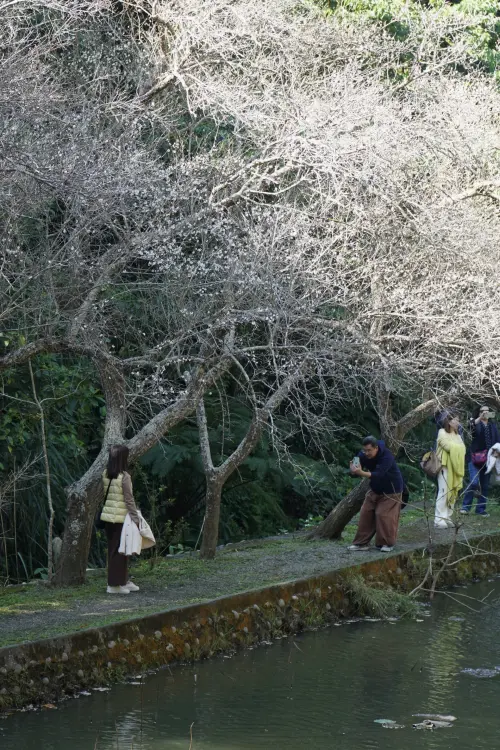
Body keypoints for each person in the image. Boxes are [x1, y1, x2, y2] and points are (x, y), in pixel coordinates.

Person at [348, 436, 404, 553]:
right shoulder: (362, 454)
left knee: (383, 514)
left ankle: (386, 543)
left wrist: (361, 472)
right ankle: (361, 543)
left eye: (369, 450)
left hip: (392, 489)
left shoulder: (387, 456)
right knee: (365, 512)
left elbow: (378, 474)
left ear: (376, 448)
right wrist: (353, 469)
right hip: (375, 488)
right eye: (365, 450)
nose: (366, 453)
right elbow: (356, 462)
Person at [100, 444, 141, 594]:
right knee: (120, 551)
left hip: (107, 517)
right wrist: (136, 519)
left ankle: (122, 581)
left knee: (115, 550)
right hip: (120, 519)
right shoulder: (125, 477)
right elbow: (129, 500)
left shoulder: (105, 473)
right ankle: (114, 585)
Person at [461, 406, 500, 517]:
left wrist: (497, 452)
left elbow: (498, 441)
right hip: (474, 458)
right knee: (474, 482)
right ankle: (465, 507)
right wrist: (478, 418)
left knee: (484, 485)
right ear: (479, 413)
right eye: (482, 411)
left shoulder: (493, 426)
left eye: (487, 411)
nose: (485, 413)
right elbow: (469, 427)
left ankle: (480, 509)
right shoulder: (475, 423)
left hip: (488, 460)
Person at [435, 414, 466, 528]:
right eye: (456, 420)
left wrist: (457, 447)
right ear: (449, 421)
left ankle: (447, 517)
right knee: (444, 492)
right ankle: (439, 519)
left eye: (458, 420)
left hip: (455, 467)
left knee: (453, 492)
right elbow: (447, 446)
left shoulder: (457, 435)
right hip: (445, 467)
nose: (458, 422)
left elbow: (464, 449)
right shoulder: (442, 432)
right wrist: (458, 447)